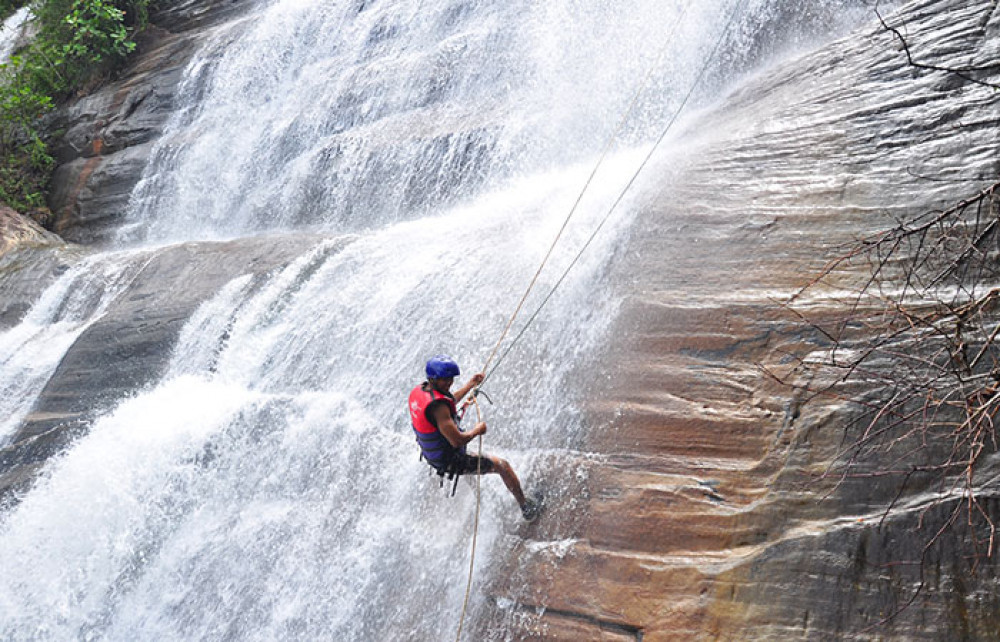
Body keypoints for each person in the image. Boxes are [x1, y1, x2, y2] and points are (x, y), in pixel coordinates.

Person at [408, 355, 541, 521]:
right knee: (502, 465)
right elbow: (457, 441)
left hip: (434, 455)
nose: (449, 383)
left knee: (479, 465)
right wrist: (477, 430)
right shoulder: (438, 408)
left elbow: (449, 399)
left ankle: (482, 495)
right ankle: (527, 507)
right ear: (433, 379)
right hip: (450, 460)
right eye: (445, 380)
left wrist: (470, 385)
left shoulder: (420, 392)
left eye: (451, 379)